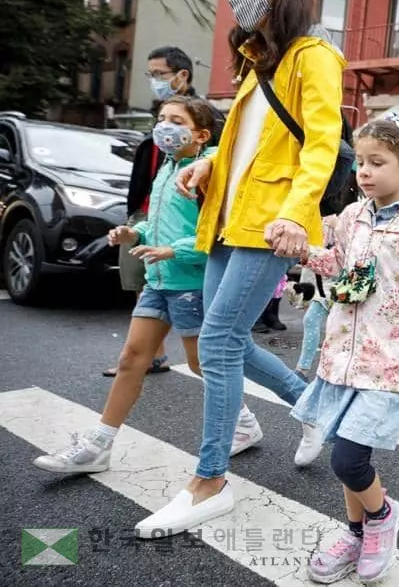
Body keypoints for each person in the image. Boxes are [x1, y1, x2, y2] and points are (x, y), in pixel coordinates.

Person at [135, 0, 346, 538]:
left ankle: (210, 480)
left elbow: (320, 145)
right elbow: (243, 143)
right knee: (221, 338)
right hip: (227, 220)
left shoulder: (314, 57)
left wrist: (298, 214)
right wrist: (207, 169)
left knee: (221, 340)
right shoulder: (259, 62)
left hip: (270, 223)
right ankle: (313, 406)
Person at [33, 97, 261, 471]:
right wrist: (133, 232)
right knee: (131, 358)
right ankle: (99, 444)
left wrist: (174, 250)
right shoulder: (167, 169)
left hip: (190, 281)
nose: (164, 127)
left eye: (176, 120)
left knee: (202, 363)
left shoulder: (209, 175)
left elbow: (214, 236)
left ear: (201, 134)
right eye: (161, 119)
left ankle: (245, 423)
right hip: (157, 280)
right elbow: (156, 220)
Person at [294, 116, 399, 584]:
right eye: (361, 162)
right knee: (349, 456)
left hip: (386, 364)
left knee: (347, 459)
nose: (363, 172)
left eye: (377, 162)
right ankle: (356, 532)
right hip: (341, 358)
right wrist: (305, 253)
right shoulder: (354, 216)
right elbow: (340, 266)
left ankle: (382, 517)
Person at [105, 46, 222, 377]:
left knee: (202, 361)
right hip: (149, 218)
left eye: (159, 74)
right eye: (151, 74)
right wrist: (136, 223)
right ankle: (150, 355)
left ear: (182, 76)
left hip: (189, 257)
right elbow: (153, 169)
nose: (153, 81)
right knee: (143, 282)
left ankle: (239, 413)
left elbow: (221, 158)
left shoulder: (205, 120)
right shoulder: (163, 121)